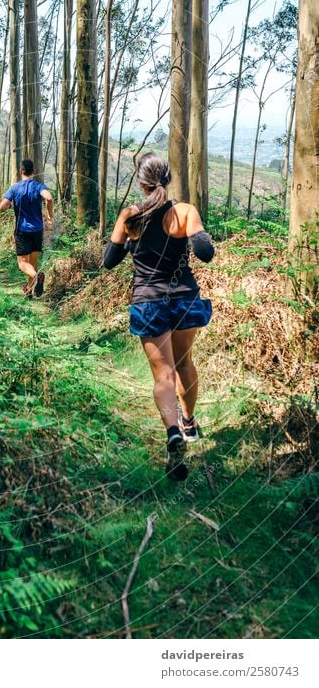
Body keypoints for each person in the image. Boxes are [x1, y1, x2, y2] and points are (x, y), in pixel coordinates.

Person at [103, 151, 215, 481]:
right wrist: (198, 235)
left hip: (148, 301)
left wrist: (128, 244)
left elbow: (109, 261)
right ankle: (190, 422)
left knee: (162, 376)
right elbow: (205, 254)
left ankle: (172, 432)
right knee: (184, 363)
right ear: (168, 177)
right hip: (183, 299)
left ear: (141, 181)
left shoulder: (130, 215)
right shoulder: (184, 212)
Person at [0, 159, 54, 298]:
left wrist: (11, 205)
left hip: (22, 231)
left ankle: (37, 277)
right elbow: (49, 198)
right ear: (33, 172)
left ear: (21, 171)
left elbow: (3, 206)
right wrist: (49, 216)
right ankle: (29, 291)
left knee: (23, 264)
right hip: (37, 230)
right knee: (33, 263)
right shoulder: (38, 186)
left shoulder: (15, 188)